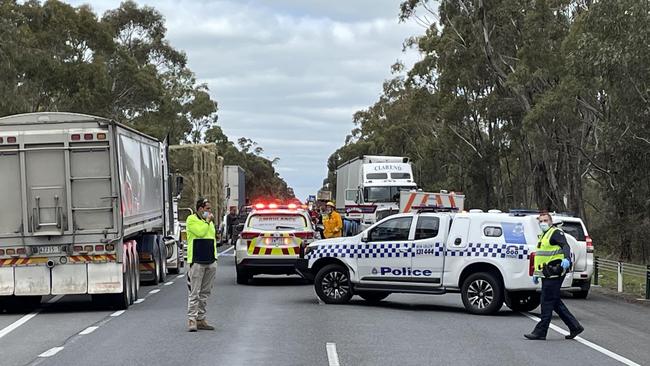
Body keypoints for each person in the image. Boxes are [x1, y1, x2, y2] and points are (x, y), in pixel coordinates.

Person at [524, 212, 584, 340]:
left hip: (555, 272)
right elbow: (542, 257)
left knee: (546, 301)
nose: (543, 223)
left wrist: (567, 258)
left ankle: (540, 331)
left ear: (551, 221)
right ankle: (575, 326)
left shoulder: (556, 232)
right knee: (555, 301)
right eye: (541, 221)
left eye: (545, 220)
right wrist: (536, 273)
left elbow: (565, 246)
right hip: (547, 273)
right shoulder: (544, 236)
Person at [186, 198, 218, 332]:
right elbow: (200, 233)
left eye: (210, 209)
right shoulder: (191, 220)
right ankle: (192, 319)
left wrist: (215, 258)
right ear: (200, 209)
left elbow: (212, 238)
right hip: (197, 260)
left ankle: (201, 318)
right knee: (195, 292)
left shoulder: (209, 222)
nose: (209, 212)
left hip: (210, 260)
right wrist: (206, 221)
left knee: (205, 292)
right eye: (207, 209)